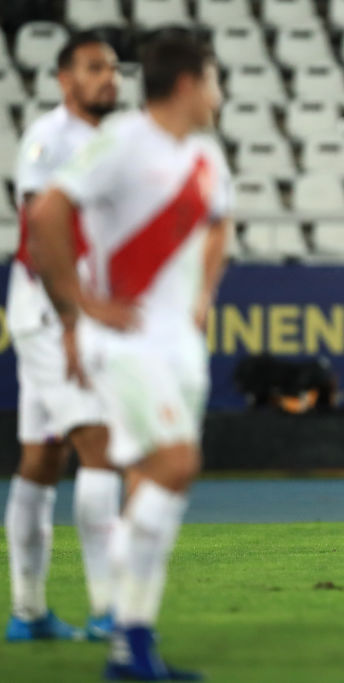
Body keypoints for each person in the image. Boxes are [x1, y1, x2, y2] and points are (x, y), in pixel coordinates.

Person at [30, 35, 233, 679]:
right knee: (176, 464)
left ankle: (132, 640)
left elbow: (218, 223)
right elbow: (46, 214)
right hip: (124, 340)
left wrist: (204, 291)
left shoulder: (206, 155)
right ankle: (124, 630)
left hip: (178, 340)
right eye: (214, 81)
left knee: (157, 482)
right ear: (189, 84)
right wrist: (78, 303)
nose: (220, 94)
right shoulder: (121, 143)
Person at [4, 31, 121, 643]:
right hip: (54, 316)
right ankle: (108, 612)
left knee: (42, 458)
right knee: (100, 446)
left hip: (61, 315)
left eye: (111, 68)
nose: (108, 77)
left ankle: (27, 614)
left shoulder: (107, 141)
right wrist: (72, 319)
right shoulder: (51, 138)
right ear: (63, 79)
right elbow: (39, 234)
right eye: (93, 67)